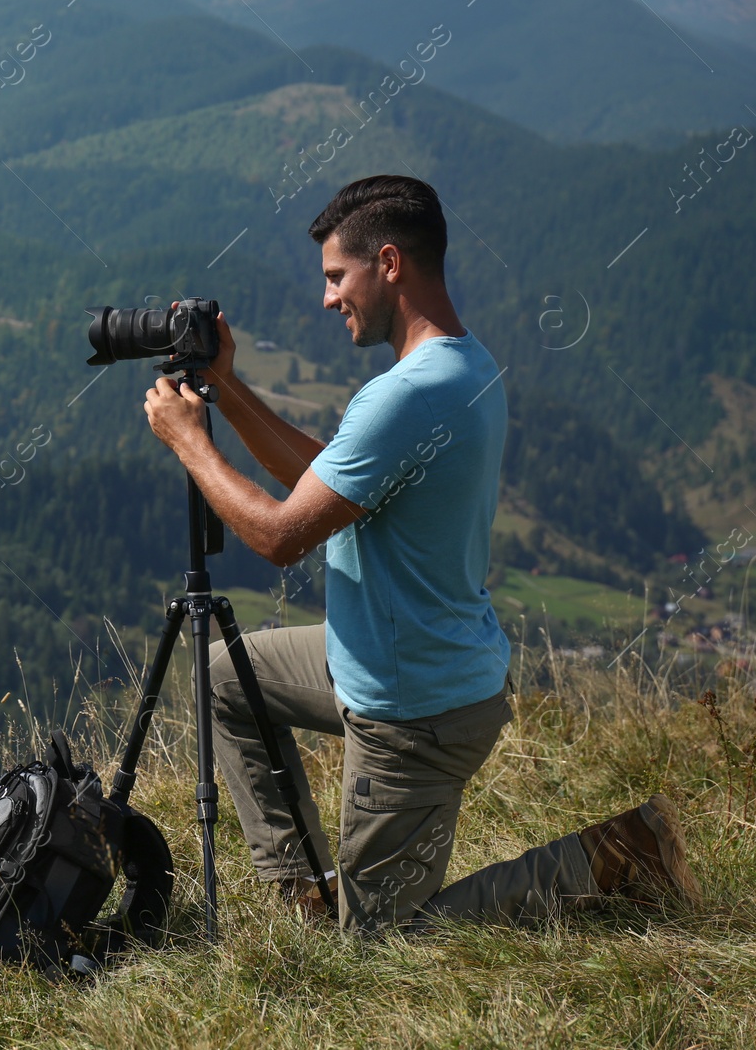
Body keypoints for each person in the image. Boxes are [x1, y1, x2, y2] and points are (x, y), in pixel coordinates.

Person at [141, 174, 700, 934]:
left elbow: (279, 536)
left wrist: (191, 444)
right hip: (394, 662)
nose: (328, 298)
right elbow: (322, 483)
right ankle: (309, 893)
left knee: (379, 945)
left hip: (414, 708)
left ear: (391, 264)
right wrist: (228, 388)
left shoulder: (407, 396)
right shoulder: (465, 366)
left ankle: (622, 856)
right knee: (225, 679)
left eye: (338, 276)